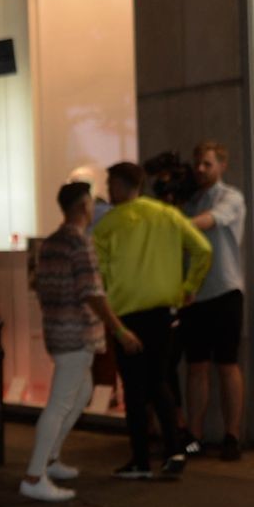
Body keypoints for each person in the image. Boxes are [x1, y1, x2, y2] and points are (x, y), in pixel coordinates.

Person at [21, 182, 141, 503]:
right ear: (84, 206)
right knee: (60, 403)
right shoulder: (79, 243)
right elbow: (92, 293)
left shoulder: (51, 243)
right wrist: (119, 330)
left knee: (82, 392)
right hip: (76, 333)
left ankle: (51, 459)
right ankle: (34, 475)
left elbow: (40, 285)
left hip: (57, 330)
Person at [92, 161, 210, 480]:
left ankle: (140, 460)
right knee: (159, 381)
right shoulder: (167, 215)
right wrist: (189, 287)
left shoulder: (107, 225)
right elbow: (202, 249)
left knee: (133, 388)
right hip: (162, 310)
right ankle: (174, 451)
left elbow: (97, 273)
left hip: (126, 315)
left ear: (120, 185)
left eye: (110, 184)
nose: (108, 190)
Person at [179, 140, 245, 460]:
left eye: (207, 164)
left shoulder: (231, 197)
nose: (201, 169)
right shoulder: (190, 202)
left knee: (228, 365)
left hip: (225, 291)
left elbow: (206, 222)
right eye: (198, 164)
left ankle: (232, 435)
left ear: (222, 165)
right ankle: (194, 435)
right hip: (194, 295)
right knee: (196, 367)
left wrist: (170, 222)